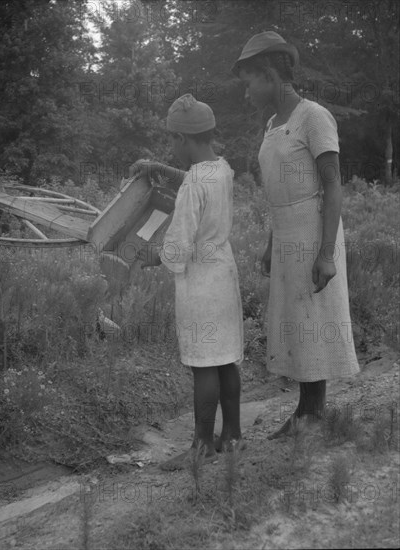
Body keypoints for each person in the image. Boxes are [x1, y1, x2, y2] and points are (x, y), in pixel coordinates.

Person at [232, 31, 360, 439]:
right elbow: (278, 192)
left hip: (313, 228)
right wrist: (272, 243)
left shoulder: (313, 117)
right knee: (297, 319)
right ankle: (306, 410)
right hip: (286, 232)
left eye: (250, 81)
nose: (247, 91)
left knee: (313, 316)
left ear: (270, 75)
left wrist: (326, 254)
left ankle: (313, 414)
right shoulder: (273, 125)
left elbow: (333, 184)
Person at [132, 93, 244, 470]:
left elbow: (178, 244)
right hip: (223, 273)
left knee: (203, 364)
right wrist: (160, 168)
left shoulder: (195, 184)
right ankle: (231, 436)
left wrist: (148, 255)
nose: (171, 148)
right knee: (226, 359)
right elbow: (197, 179)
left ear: (182, 139)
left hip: (200, 280)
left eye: (172, 141)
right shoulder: (221, 168)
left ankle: (200, 445)